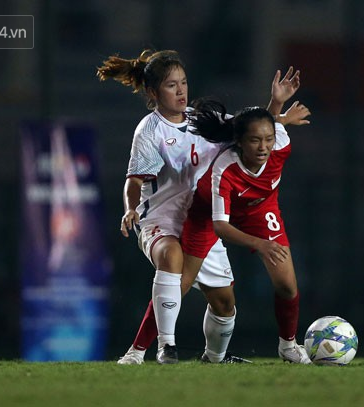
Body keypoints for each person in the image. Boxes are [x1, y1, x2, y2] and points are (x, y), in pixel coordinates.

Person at [97, 49, 302, 364]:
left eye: (183, 83)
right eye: (171, 85)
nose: (181, 91)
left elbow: (252, 129)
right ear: (153, 92)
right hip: (161, 219)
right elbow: (134, 181)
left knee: (224, 304)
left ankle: (214, 360)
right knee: (171, 258)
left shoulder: (202, 120)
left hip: (202, 218)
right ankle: (149, 351)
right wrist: (130, 208)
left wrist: (277, 107)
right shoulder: (150, 130)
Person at [179, 98, 312, 363]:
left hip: (261, 209)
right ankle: (146, 348)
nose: (264, 147)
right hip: (212, 213)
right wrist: (261, 244)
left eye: (268, 140)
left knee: (287, 285)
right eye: (255, 141)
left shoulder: (281, 144)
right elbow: (221, 226)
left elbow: (269, 126)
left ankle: (288, 346)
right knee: (178, 282)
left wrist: (277, 104)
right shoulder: (224, 167)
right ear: (239, 141)